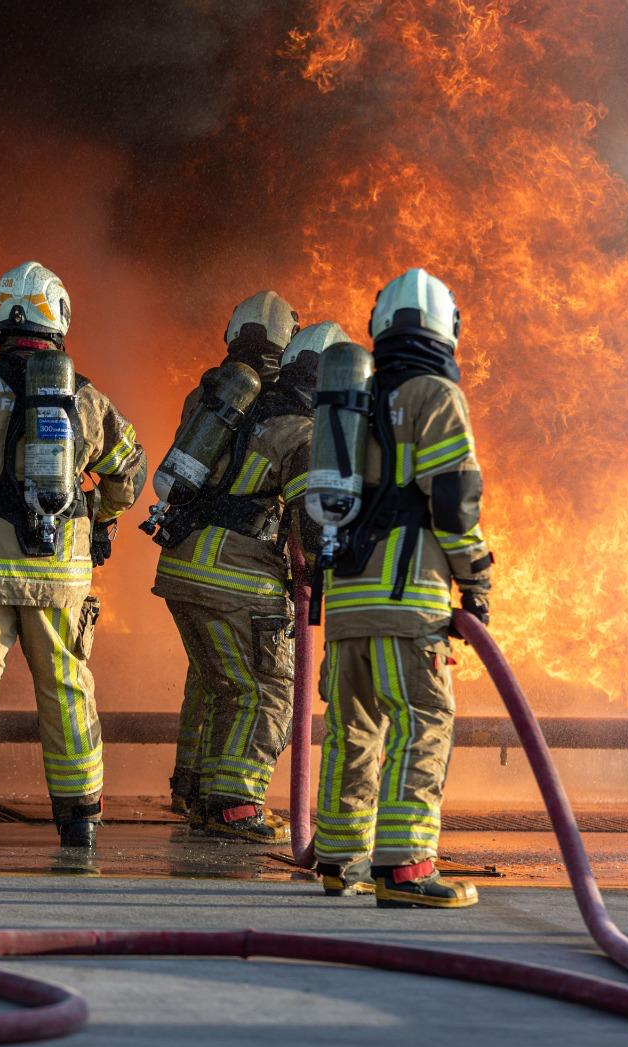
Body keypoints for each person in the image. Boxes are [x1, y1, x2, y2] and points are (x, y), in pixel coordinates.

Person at [0, 261, 147, 852]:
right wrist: (103, 516)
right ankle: (80, 817)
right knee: (66, 684)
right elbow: (131, 471)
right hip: (57, 572)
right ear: (59, 319)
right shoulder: (85, 397)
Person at [312, 269, 492, 907]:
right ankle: (406, 867)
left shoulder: (351, 399)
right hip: (407, 595)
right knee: (424, 720)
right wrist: (475, 578)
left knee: (351, 728)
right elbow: (452, 500)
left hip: (347, 600)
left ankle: (337, 858)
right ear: (447, 328)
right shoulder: (434, 394)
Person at [148, 296, 333, 844]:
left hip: (182, 562)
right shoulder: (301, 429)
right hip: (237, 577)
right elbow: (312, 524)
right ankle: (235, 802)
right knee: (265, 688)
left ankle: (197, 791)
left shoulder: (215, 402)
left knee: (216, 681)